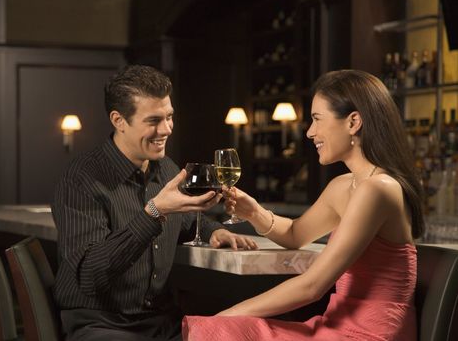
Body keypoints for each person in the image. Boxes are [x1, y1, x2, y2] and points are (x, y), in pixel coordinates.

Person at [183, 70, 425, 341]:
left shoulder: (378, 188)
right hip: (336, 325)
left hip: (371, 333)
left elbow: (312, 286)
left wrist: (228, 316)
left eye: (317, 120)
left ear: (353, 122)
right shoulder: (345, 185)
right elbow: (296, 234)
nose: (310, 132)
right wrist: (253, 212)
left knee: (221, 330)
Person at [51, 64, 258, 341]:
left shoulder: (167, 169)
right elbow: (91, 275)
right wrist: (153, 212)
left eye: (169, 117)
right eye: (153, 121)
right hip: (100, 324)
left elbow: (184, 221)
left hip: (160, 322)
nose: (166, 129)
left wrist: (213, 231)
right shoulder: (82, 178)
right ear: (118, 120)